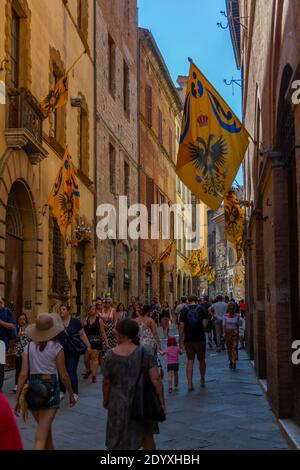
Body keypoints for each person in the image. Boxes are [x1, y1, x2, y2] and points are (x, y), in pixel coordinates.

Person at [14, 313, 76, 450]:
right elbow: (64, 375)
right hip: (51, 389)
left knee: (46, 432)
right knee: (41, 436)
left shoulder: (28, 347)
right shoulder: (57, 348)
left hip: (33, 390)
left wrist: (17, 398)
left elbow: (23, 374)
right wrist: (72, 394)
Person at [102, 319, 166, 450]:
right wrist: (161, 402)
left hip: (118, 402)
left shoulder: (109, 355)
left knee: (116, 437)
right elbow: (156, 379)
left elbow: (106, 382)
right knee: (147, 437)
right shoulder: (145, 352)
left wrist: (106, 400)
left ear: (121, 334)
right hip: (144, 401)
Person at [57, 305, 91, 400]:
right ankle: (61, 391)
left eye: (63, 309)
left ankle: (75, 392)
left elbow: (82, 334)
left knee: (71, 372)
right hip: (61, 351)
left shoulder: (75, 322)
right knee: (61, 372)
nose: (61, 311)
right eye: (60, 310)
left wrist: (88, 346)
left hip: (73, 351)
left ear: (68, 311)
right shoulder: (58, 322)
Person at [179, 294, 208, 391]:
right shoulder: (202, 309)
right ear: (197, 300)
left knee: (190, 360)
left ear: (188, 300)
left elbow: (181, 327)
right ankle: (202, 379)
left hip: (188, 339)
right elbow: (204, 324)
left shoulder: (183, 310)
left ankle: (189, 383)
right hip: (200, 338)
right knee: (202, 360)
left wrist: (180, 340)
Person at [83, 304, 109, 383]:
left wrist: (106, 342)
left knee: (94, 358)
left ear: (96, 311)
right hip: (87, 341)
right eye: (90, 309)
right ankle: (88, 370)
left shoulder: (99, 320)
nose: (92, 311)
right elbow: (82, 332)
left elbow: (103, 332)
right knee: (86, 358)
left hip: (96, 340)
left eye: (93, 309)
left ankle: (94, 376)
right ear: (88, 310)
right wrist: (83, 325)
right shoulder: (85, 320)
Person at [0, 297, 16, 389]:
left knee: (0, 367)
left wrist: (1, 322)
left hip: (2, 343)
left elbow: (12, 326)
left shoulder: (7, 311)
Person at [13, 313, 31, 393]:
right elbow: (13, 339)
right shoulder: (16, 328)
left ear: (26, 319)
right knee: (18, 368)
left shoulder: (29, 328)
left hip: (27, 351)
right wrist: (17, 335)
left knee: (26, 368)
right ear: (18, 320)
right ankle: (17, 384)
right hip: (18, 351)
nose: (22, 321)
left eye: (23, 319)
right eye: (20, 319)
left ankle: (25, 384)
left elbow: (32, 339)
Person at [223, 302, 240, 370]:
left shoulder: (237, 316)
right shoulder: (225, 316)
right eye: (230, 309)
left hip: (235, 333)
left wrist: (238, 332)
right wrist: (224, 333)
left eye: (232, 309)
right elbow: (224, 325)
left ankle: (234, 361)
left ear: (234, 309)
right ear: (228, 309)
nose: (231, 310)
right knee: (229, 348)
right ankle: (230, 361)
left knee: (234, 347)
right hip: (227, 333)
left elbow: (238, 325)